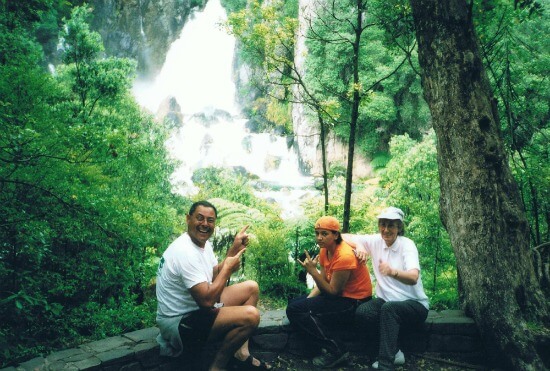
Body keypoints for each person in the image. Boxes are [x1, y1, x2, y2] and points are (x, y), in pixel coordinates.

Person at [155, 200, 271, 371]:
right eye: (199, 218)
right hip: (179, 323)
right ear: (188, 219)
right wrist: (228, 270)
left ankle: (241, 354)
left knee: (251, 287)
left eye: (210, 220)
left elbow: (213, 276)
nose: (204, 224)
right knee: (251, 316)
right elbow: (208, 301)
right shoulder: (184, 252)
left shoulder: (202, 244)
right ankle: (217, 367)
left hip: (196, 309)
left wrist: (233, 249)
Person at [343, 207, 429, 370]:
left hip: (414, 305)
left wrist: (392, 272)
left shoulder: (407, 245)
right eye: (382, 224)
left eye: (391, 225)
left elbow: (413, 277)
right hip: (386, 302)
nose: (386, 230)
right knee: (363, 312)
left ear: (399, 228)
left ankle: (385, 364)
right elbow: (342, 236)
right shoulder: (376, 241)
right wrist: (359, 246)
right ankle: (394, 352)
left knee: (390, 309)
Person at [286, 216, 372, 368]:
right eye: (317, 233)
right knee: (294, 305)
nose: (319, 237)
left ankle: (336, 350)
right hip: (340, 296)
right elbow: (323, 281)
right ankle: (316, 346)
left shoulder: (344, 256)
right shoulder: (325, 250)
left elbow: (332, 291)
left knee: (296, 310)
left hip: (354, 301)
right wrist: (308, 301)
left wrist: (313, 272)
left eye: (324, 234)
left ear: (335, 235)